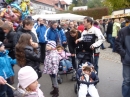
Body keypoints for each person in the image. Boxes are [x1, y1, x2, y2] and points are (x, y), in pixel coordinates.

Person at [115, 25, 130, 97]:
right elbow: (118, 44)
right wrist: (124, 54)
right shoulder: (123, 31)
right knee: (127, 80)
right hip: (127, 60)